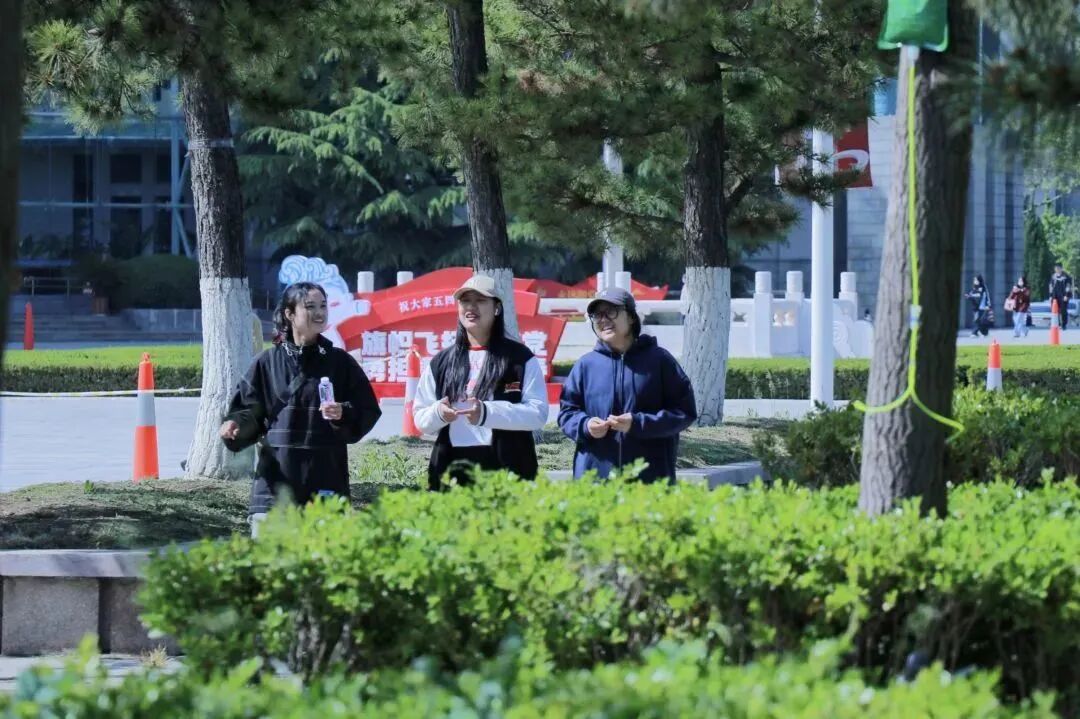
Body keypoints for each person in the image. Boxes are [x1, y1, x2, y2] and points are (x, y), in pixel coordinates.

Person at [219, 282, 381, 535]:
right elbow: (248, 411)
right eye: (310, 307)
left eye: (323, 306)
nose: (319, 313)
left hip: (326, 481)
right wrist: (235, 425)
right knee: (270, 558)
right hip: (274, 487)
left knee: (324, 557)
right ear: (290, 314)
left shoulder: (340, 363)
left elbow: (368, 408)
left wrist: (343, 413)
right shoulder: (266, 363)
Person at [413, 274, 549, 490]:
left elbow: (537, 413)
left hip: (509, 474)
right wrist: (439, 413)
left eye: (480, 300)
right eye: (465, 301)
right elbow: (420, 419)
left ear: (497, 308)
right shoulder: (441, 362)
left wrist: (487, 412)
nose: (471, 307)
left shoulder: (520, 359)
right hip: (451, 474)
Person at [558, 287, 697, 483]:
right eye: (597, 315)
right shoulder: (585, 365)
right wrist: (585, 425)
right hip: (594, 482)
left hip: (649, 481)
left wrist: (638, 423)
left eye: (611, 312)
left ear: (631, 317)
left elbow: (684, 413)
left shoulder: (660, 361)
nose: (603, 319)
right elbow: (567, 414)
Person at [1048, 263, 1072, 329]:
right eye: (1056, 268)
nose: (1057, 270)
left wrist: (1066, 295)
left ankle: (1064, 324)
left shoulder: (1066, 277)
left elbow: (1068, 286)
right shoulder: (1053, 276)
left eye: (1058, 268)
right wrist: (1050, 296)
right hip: (1055, 295)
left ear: (1061, 268)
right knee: (1055, 310)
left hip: (1063, 295)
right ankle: (1057, 323)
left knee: (1063, 310)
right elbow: (1050, 286)